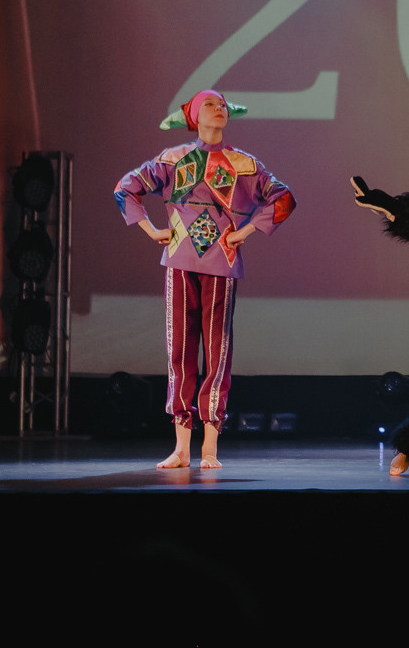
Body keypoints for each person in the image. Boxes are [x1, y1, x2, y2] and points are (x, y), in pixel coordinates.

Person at [114, 90, 295, 469]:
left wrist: (245, 232)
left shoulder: (243, 163)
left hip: (221, 263)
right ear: (195, 115)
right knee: (180, 350)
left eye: (224, 104)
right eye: (211, 104)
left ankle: (209, 445)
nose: (220, 108)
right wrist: (150, 229)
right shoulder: (173, 158)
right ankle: (181, 446)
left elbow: (283, 198)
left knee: (218, 352)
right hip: (180, 261)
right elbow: (125, 187)